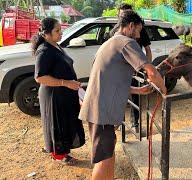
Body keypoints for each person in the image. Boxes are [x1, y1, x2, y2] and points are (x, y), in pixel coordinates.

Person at [78, 11, 166, 180]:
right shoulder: (126, 43)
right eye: (138, 30)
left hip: (99, 108)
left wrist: (137, 90)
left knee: (108, 152)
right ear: (130, 26)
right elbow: (151, 71)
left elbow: (112, 81)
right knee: (103, 158)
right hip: (101, 111)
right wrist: (164, 90)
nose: (139, 36)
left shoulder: (110, 43)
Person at [32, 17, 85, 165]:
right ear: (46, 34)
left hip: (64, 93)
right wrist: (65, 83)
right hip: (54, 95)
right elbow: (40, 77)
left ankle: (63, 150)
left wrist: (71, 84)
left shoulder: (55, 45)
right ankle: (59, 154)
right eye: (57, 31)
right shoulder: (44, 51)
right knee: (57, 124)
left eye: (60, 30)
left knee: (65, 122)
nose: (61, 33)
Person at [110, 3, 153, 129]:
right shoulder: (114, 32)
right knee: (118, 95)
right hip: (119, 71)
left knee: (135, 96)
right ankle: (117, 122)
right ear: (119, 15)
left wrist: (145, 68)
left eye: (128, 13)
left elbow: (147, 49)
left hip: (135, 69)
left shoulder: (139, 30)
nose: (126, 15)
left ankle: (135, 123)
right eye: (123, 14)